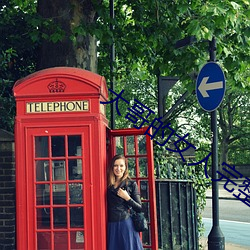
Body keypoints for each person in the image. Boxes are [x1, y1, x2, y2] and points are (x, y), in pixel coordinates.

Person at [107, 154, 144, 250]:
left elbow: (139, 208)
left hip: (125, 224)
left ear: (125, 168)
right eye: (115, 165)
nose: (118, 168)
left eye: (121, 166)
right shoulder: (108, 183)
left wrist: (127, 198)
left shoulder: (131, 184)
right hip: (111, 225)